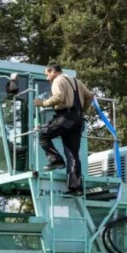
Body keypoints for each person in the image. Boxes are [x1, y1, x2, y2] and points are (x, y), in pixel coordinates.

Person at [33, 64, 94, 196]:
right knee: (73, 154)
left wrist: (42, 103)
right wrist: (82, 110)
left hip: (65, 117)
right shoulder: (76, 81)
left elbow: (59, 97)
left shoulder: (58, 80)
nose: (48, 79)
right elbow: (90, 96)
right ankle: (75, 188)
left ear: (53, 71)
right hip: (78, 120)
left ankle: (56, 160)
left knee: (43, 135)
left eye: (47, 74)